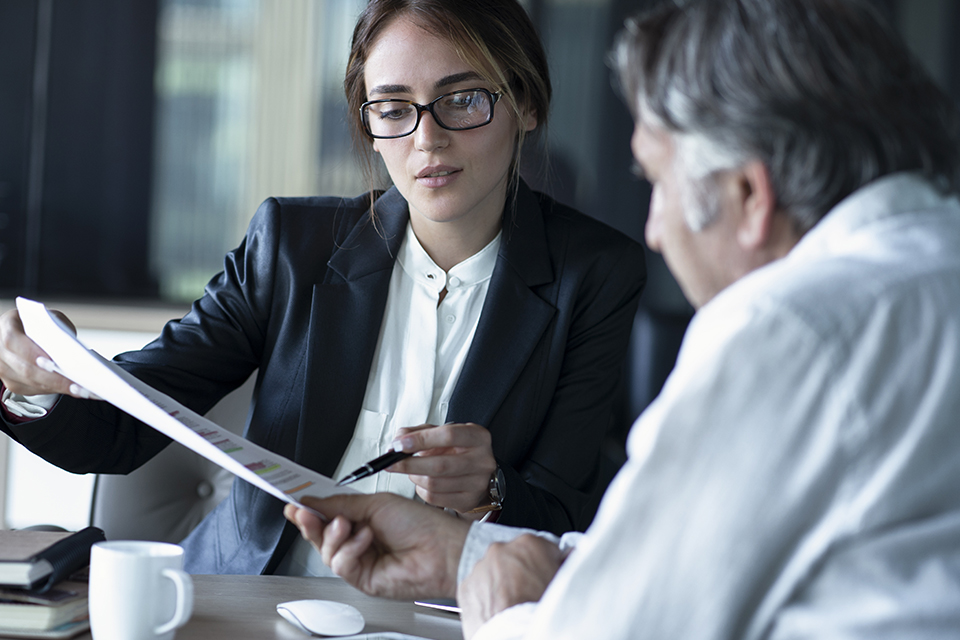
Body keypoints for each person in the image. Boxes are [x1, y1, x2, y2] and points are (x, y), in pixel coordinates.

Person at [282, 0, 960, 637]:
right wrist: (465, 554)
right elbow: (689, 561)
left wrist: (497, 613)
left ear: (749, 194)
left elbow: (617, 629)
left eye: (657, 183)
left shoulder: (788, 327)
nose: (656, 231)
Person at [0, 0, 645, 575]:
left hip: (446, 618)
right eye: (393, 108)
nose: (427, 137)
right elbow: (124, 426)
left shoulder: (594, 273)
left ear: (525, 103)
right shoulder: (289, 245)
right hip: (250, 603)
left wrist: (491, 490)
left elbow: (567, 515)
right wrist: (33, 387)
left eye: (463, 98)